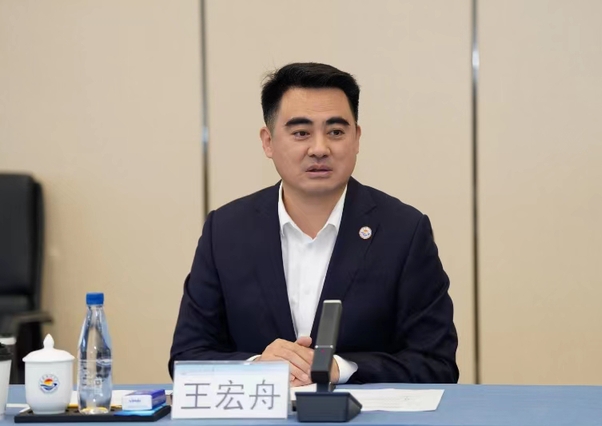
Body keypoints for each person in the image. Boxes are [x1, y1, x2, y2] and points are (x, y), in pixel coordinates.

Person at [169, 62, 459, 385]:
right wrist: (257, 366)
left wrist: (340, 369)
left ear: (356, 138)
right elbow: (187, 358)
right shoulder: (225, 231)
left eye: (336, 132)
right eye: (301, 133)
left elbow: (437, 364)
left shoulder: (404, 231)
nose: (320, 149)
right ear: (268, 142)